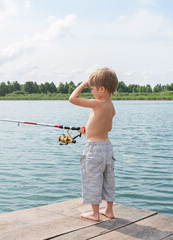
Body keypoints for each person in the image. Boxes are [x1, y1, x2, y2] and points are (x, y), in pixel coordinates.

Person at [69, 67, 118, 221]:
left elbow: (72, 99)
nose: (91, 92)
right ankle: (109, 210)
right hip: (107, 148)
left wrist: (83, 84)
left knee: (92, 178)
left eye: (92, 89)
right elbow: (108, 127)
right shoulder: (111, 106)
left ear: (102, 89)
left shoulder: (96, 104)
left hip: (94, 149)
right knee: (108, 179)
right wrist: (88, 130)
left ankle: (95, 213)